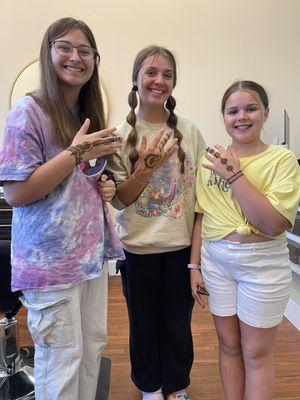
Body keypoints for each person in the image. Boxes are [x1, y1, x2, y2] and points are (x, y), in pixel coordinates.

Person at [0, 17, 124, 400]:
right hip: (50, 265)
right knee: (62, 360)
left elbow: (76, 181)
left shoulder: (82, 114)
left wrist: (103, 184)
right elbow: (16, 193)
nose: (76, 57)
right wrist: (76, 153)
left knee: (90, 351)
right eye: (65, 47)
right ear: (47, 51)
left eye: (85, 50)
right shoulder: (28, 111)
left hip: (88, 258)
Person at [106, 45, 206, 400]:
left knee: (177, 325)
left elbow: (201, 199)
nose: (159, 80)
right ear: (135, 79)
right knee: (144, 326)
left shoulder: (190, 132)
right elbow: (118, 199)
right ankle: (150, 386)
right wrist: (144, 170)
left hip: (180, 250)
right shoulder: (120, 135)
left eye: (167, 75)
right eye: (150, 72)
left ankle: (177, 386)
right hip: (137, 249)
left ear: (174, 83)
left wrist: (197, 257)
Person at [189, 80, 300, 400]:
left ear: (265, 113)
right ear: (222, 116)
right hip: (216, 261)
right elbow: (201, 215)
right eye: (232, 110)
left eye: (251, 108)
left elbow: (273, 223)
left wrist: (235, 176)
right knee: (228, 345)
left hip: (263, 265)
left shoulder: (282, 160)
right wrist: (194, 266)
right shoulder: (209, 159)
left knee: (255, 353)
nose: (242, 117)